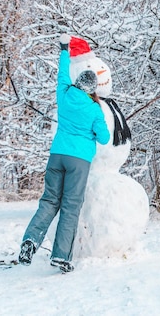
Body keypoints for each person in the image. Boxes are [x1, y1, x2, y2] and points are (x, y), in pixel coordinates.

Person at [18, 33, 110, 273]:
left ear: (78, 82)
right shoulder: (94, 109)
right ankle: (60, 256)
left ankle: (31, 240)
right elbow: (105, 138)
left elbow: (62, 71)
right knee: (70, 206)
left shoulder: (64, 93)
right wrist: (91, 131)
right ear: (93, 89)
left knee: (49, 200)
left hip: (57, 155)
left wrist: (63, 48)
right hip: (79, 161)